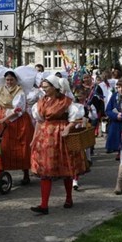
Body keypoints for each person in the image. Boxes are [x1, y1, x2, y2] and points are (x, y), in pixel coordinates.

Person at [30, 74, 87, 213]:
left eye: (46, 86)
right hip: (45, 137)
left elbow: (76, 117)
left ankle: (69, 198)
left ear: (55, 87)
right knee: (45, 169)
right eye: (42, 86)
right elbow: (39, 121)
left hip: (61, 135)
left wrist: (67, 128)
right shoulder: (41, 102)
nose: (43, 89)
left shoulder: (65, 102)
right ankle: (44, 205)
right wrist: (34, 138)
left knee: (65, 167)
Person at [0, 70, 35, 186]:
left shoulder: (20, 91)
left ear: (16, 80)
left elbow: (19, 109)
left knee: (21, 146)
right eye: (7, 80)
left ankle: (26, 173)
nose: (9, 82)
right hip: (2, 120)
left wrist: (6, 118)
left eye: (11, 80)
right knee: (0, 146)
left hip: (18, 121)